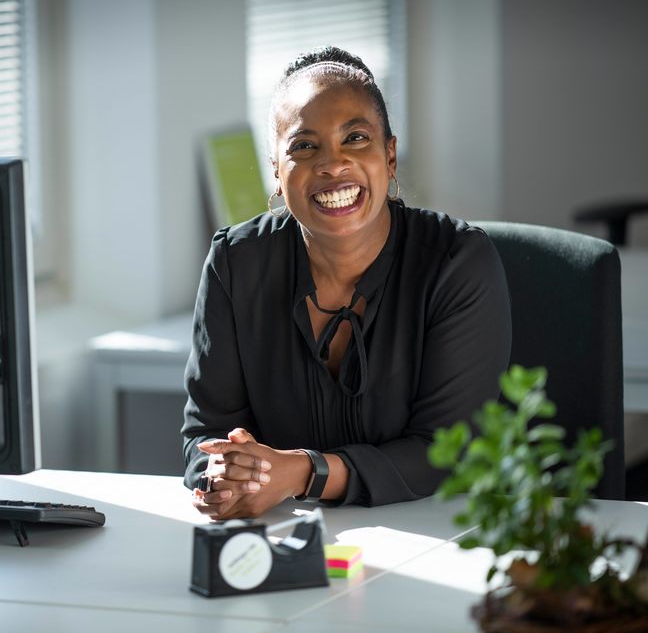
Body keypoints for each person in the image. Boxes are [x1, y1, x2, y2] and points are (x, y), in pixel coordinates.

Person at [182, 46, 511, 519]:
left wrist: (302, 472)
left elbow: (446, 452)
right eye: (304, 146)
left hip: (444, 532)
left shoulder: (456, 263)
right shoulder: (236, 263)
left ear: (390, 155)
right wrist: (226, 475)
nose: (332, 165)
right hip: (289, 539)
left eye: (355, 138)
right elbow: (205, 434)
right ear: (276, 170)